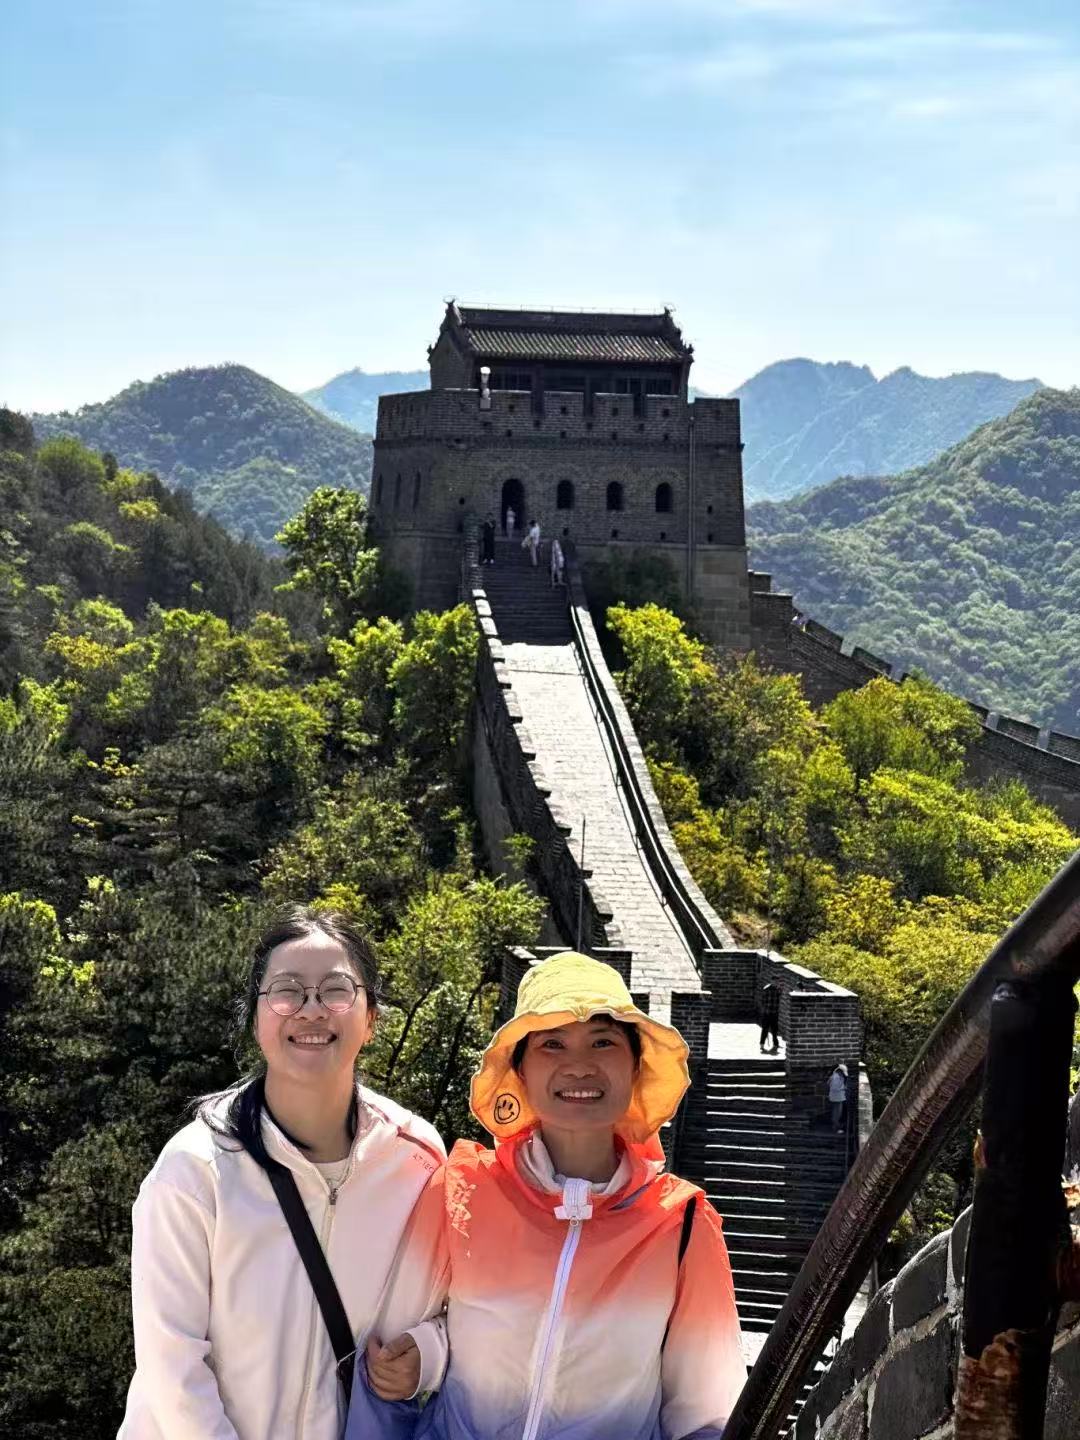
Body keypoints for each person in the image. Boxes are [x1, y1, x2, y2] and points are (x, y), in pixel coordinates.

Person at [351, 951, 746, 1440]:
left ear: (635, 1068)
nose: (579, 1066)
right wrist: (428, 1352)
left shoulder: (681, 1225)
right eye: (552, 1044)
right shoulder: (461, 1191)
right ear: (520, 1072)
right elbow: (385, 1356)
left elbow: (709, 1412)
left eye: (603, 1042)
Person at [118, 906, 446, 1440]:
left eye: (335, 991)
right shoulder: (197, 1170)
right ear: (255, 1018)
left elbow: (462, 1308)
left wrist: (428, 1354)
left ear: (371, 1018)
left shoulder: (417, 1161)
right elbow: (171, 1368)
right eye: (287, 991)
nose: (311, 1011)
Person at [758, 981, 780, 1054]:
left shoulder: (777, 989)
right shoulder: (767, 989)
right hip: (768, 1013)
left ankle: (775, 1044)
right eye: (775, 981)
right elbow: (763, 1001)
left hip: (773, 1013)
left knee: (774, 1030)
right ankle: (762, 1044)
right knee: (766, 1029)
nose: (776, 982)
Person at [828, 1062, 849, 1134]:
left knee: (836, 1112)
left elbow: (829, 1084)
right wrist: (843, 1088)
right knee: (837, 1113)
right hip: (837, 1097)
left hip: (837, 1097)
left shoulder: (835, 1076)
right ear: (839, 1071)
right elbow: (835, 1088)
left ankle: (836, 1126)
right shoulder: (836, 1077)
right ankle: (836, 1127)